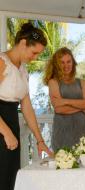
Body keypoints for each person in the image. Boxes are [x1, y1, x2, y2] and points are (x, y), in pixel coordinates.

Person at [0, 23, 52, 190]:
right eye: (34, 52)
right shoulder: (2, 62)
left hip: (12, 122)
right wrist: (6, 132)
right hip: (2, 126)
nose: (35, 57)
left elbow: (27, 106)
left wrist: (40, 140)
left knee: (10, 176)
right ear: (23, 43)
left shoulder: (23, 70)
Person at [43, 47, 85, 152]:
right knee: (64, 165)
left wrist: (65, 101)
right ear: (57, 64)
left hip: (82, 132)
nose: (66, 65)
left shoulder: (82, 82)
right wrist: (81, 108)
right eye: (62, 62)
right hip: (62, 133)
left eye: (69, 61)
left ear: (73, 62)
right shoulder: (53, 82)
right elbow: (59, 109)